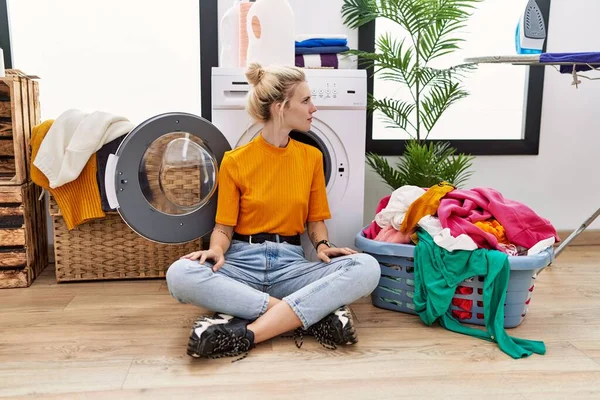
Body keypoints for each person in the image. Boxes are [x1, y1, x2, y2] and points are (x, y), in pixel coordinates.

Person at [166, 63, 381, 360]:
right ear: (281, 107)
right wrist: (216, 250)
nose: (313, 108)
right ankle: (307, 315)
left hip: (292, 266)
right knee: (180, 274)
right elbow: (224, 227)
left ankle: (248, 334)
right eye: (305, 101)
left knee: (367, 267)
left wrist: (322, 245)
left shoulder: (311, 157)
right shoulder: (235, 160)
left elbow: (315, 221)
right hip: (242, 264)